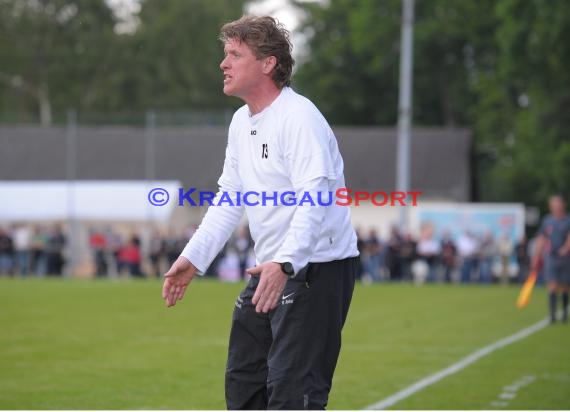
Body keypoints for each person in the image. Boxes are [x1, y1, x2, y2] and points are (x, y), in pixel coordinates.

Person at [161, 15, 359, 409]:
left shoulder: (299, 117)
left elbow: (315, 196)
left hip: (315, 270)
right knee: (244, 385)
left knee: (292, 394)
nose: (224, 63)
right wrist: (193, 258)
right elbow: (230, 198)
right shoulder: (240, 122)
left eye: (235, 54)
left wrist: (286, 262)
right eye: (225, 54)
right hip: (270, 269)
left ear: (268, 63)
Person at [531, 195, 570, 324]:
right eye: (553, 203)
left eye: (557, 203)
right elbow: (541, 238)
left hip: (565, 258)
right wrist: (536, 255)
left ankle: (564, 313)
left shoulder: (567, 220)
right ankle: (552, 315)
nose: (555, 206)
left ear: (562, 204)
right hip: (551, 257)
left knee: (565, 286)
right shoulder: (547, 221)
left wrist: (565, 248)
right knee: (552, 285)